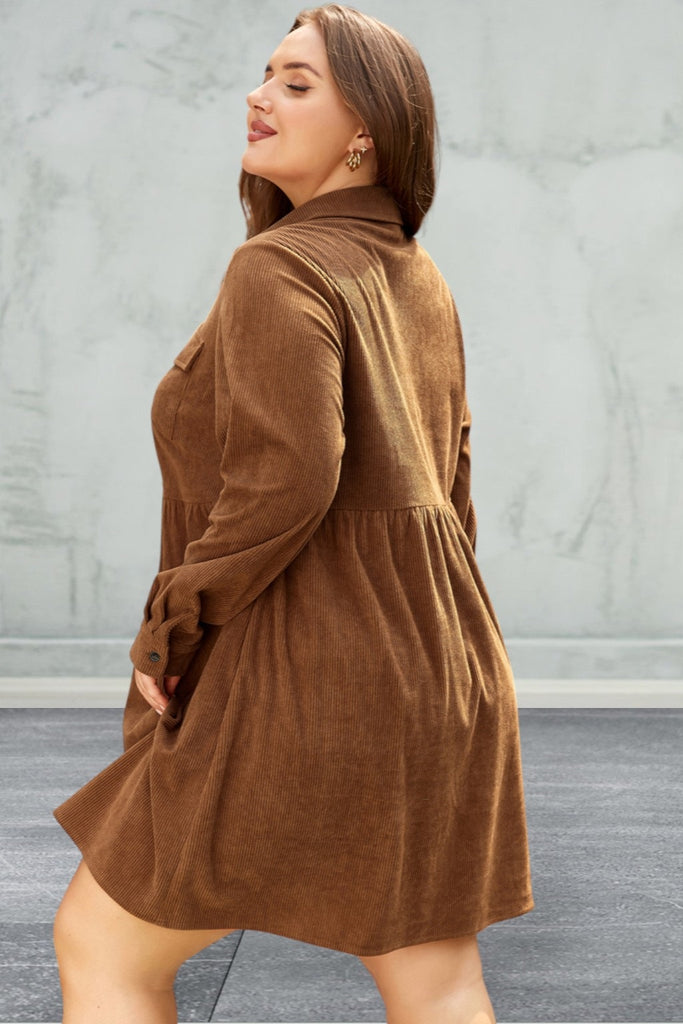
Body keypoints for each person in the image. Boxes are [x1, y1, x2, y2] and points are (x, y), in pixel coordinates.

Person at [53, 4, 535, 1022]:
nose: (258, 94)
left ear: (367, 129)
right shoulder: (418, 275)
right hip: (443, 672)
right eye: (265, 73)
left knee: (103, 947)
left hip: (309, 673)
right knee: (436, 983)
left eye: (296, 82)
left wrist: (171, 626)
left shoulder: (275, 267)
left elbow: (289, 479)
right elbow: (452, 495)